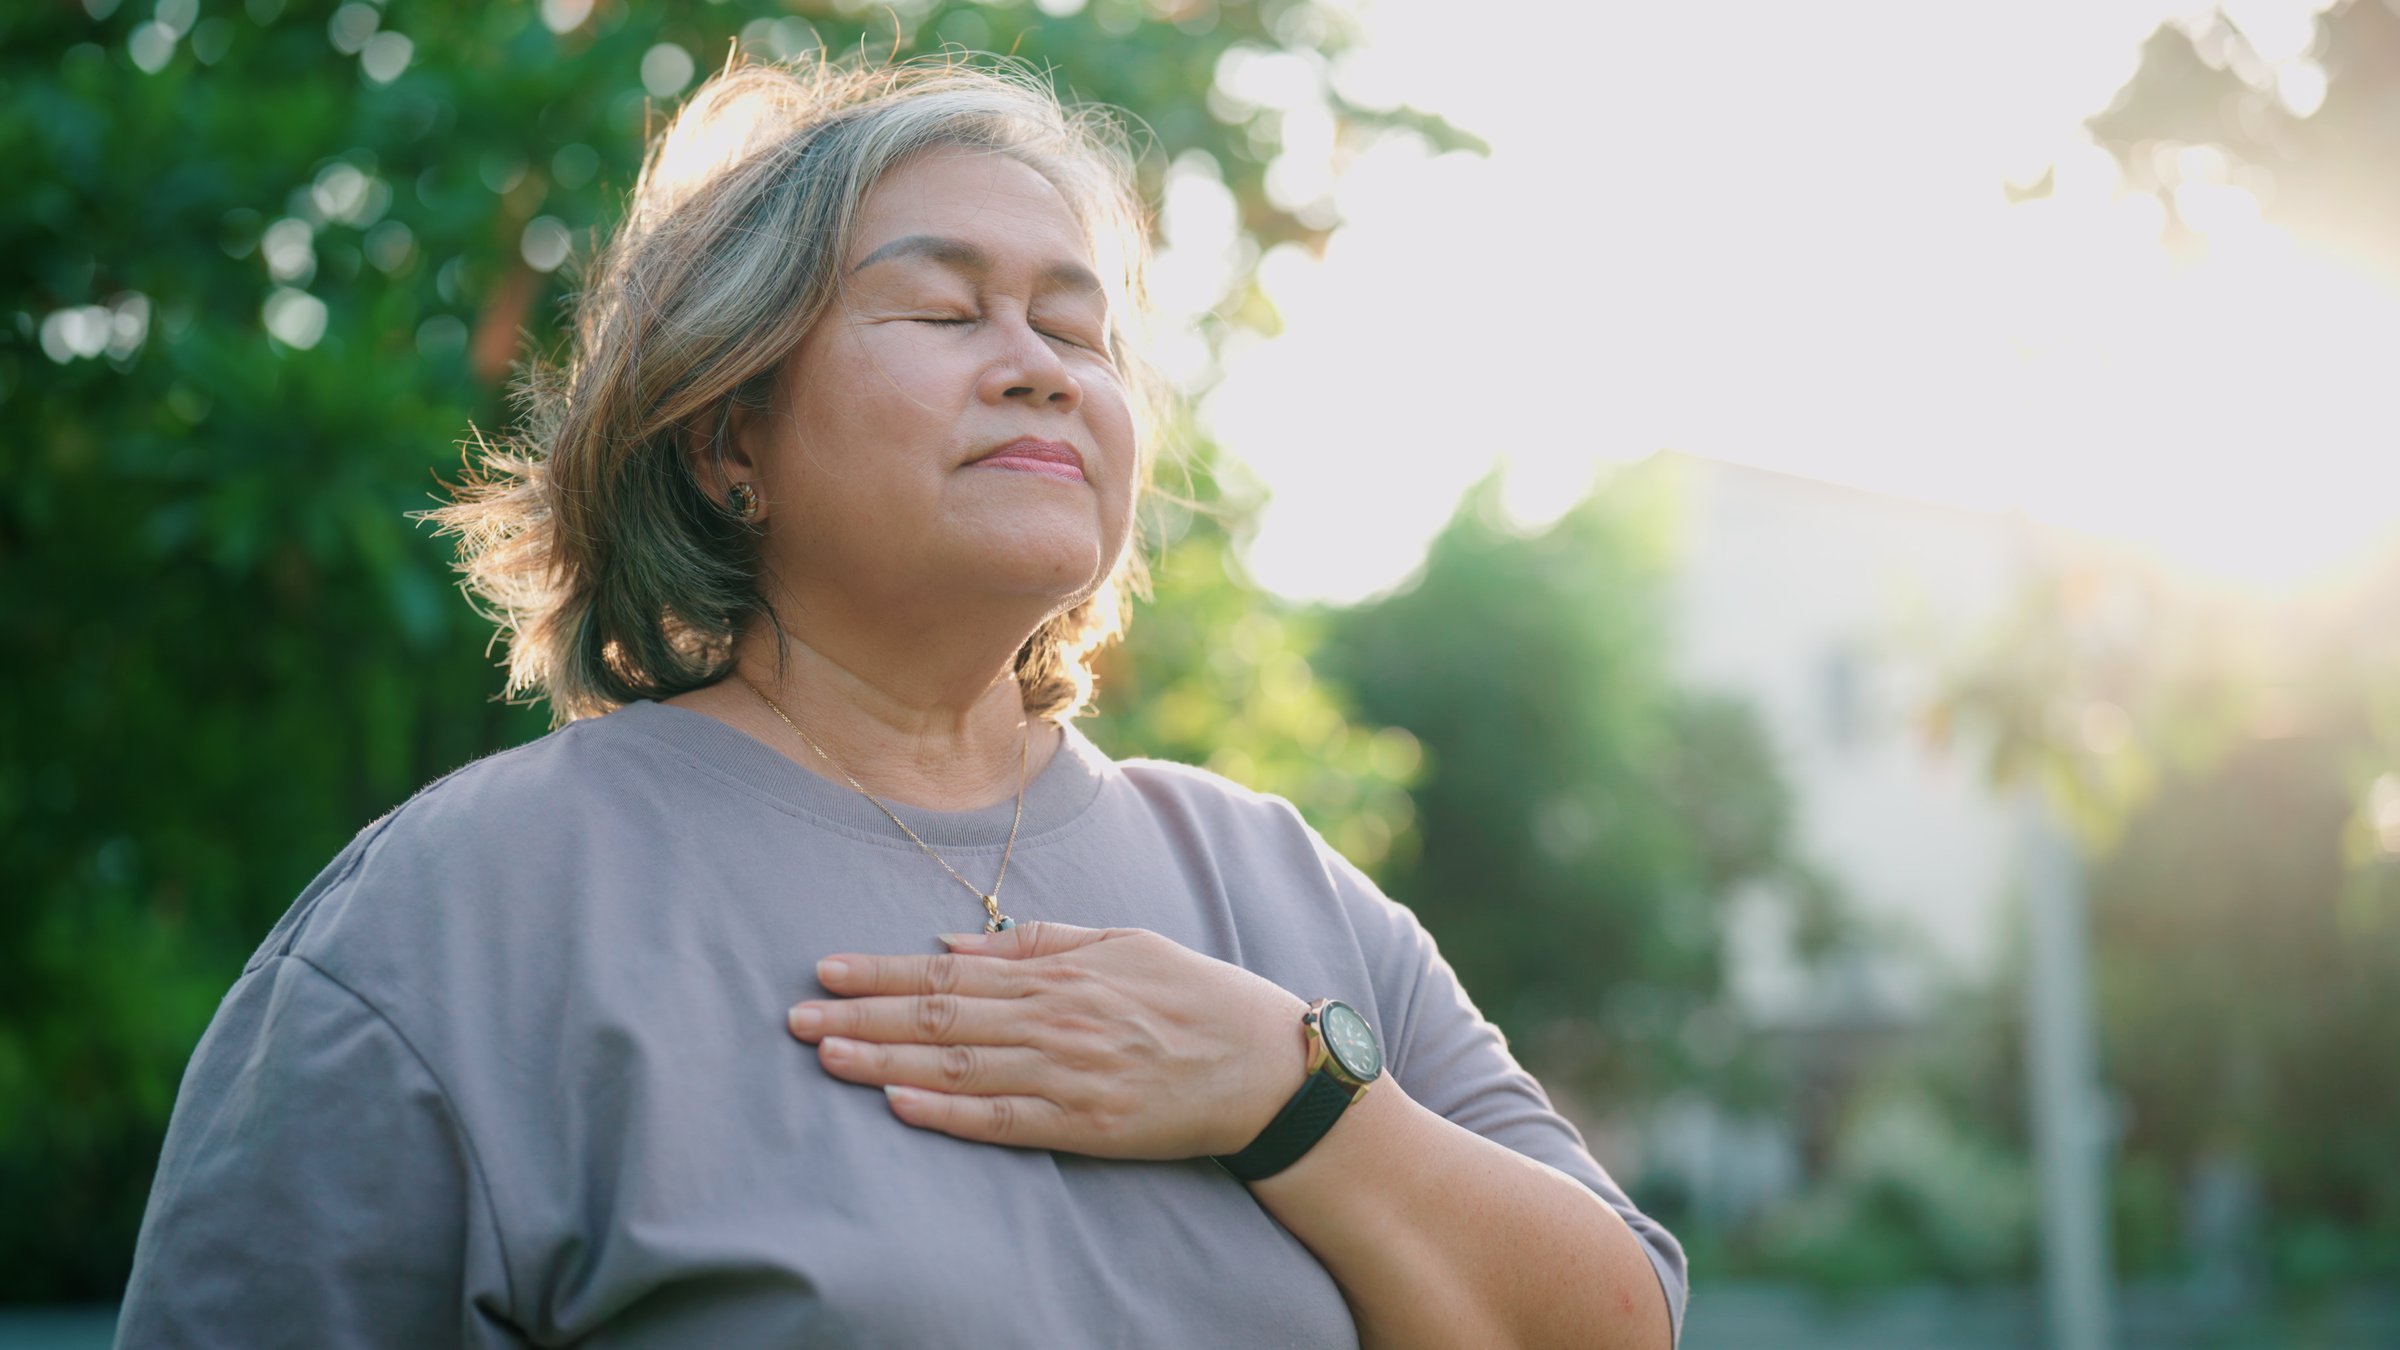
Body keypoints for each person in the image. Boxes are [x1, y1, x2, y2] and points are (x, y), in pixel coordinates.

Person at [115, 57, 1686, 1349]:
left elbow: (1619, 1321)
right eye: (947, 313)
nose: (1041, 367)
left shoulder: (1274, 888)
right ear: (729, 433)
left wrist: (1293, 1091)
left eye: (1078, 328)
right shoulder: (452, 921)